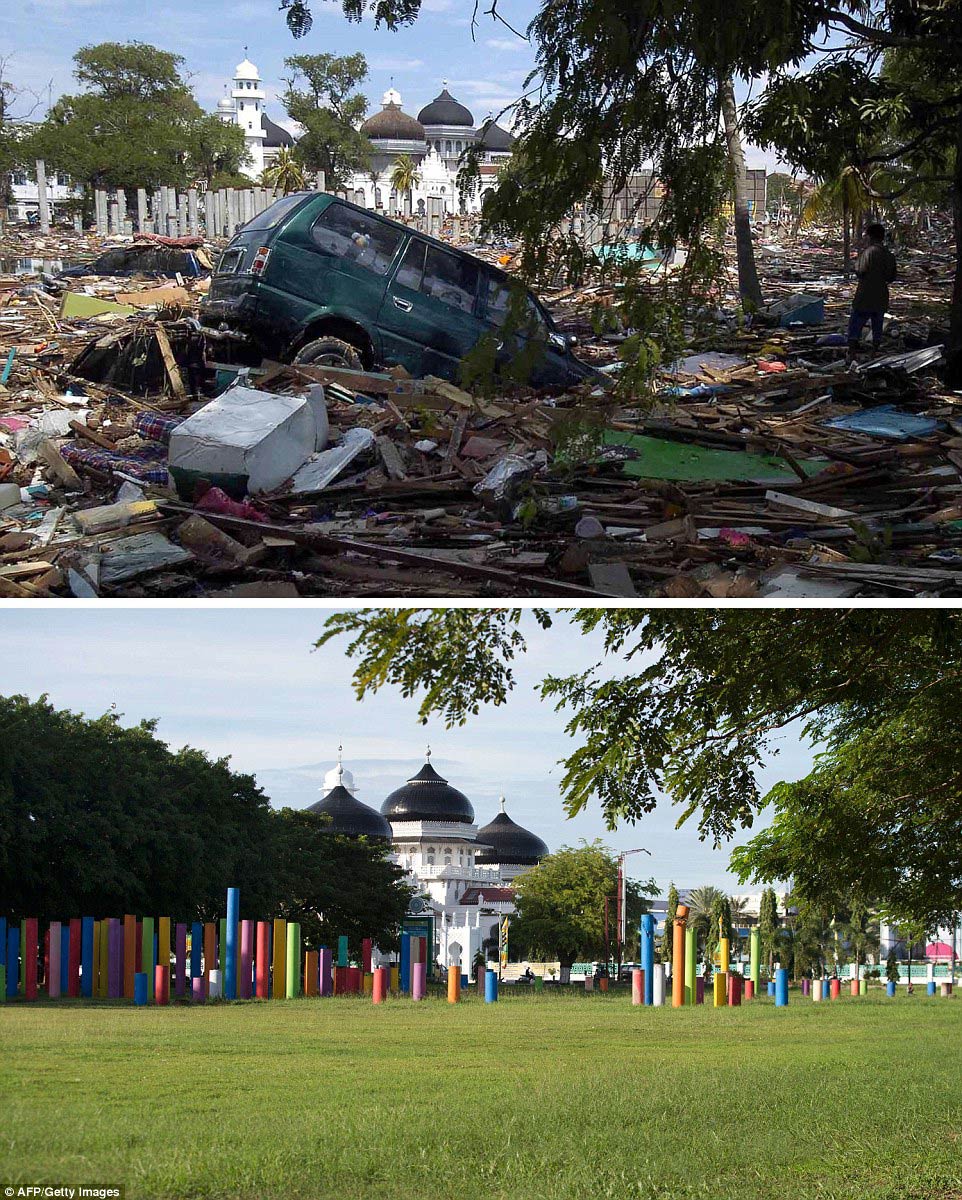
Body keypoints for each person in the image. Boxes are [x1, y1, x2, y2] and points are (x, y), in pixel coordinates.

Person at [848, 223, 897, 356]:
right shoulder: (889, 255)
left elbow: (859, 270)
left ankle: (852, 352)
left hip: (865, 294)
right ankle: (874, 351)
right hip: (881, 295)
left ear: (870, 237)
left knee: (856, 323)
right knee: (877, 324)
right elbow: (891, 277)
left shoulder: (868, 252)